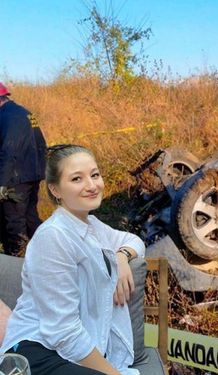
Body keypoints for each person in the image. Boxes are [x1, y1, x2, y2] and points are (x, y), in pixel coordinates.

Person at [0, 144, 145, 375]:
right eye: (77, 179)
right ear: (55, 189)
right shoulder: (54, 236)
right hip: (38, 349)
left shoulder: (92, 225)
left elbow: (135, 240)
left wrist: (121, 257)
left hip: (71, 348)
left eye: (95, 175)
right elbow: (63, 332)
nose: (91, 185)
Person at [0, 82, 47, 256]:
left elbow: (9, 150)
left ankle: (16, 258)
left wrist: (2, 183)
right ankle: (47, 252)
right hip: (31, 174)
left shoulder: (6, 117)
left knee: (13, 220)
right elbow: (41, 144)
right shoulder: (24, 112)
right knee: (30, 216)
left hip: (15, 178)